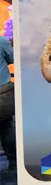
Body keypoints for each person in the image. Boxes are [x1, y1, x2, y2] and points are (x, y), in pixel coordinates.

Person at [0, 35, 13, 172]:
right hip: (2, 93)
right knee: (6, 127)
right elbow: (13, 59)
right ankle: (14, 163)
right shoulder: (1, 41)